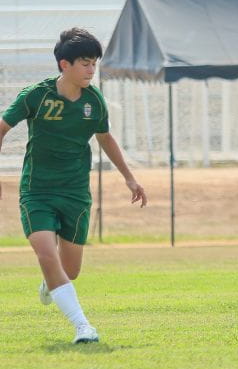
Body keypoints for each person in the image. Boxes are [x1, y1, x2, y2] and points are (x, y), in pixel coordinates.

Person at [0, 27, 147, 344]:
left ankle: (52, 282)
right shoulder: (35, 96)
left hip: (76, 194)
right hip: (36, 191)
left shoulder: (95, 101)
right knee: (45, 254)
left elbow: (105, 137)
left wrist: (129, 177)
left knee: (71, 270)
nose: (91, 70)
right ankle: (83, 327)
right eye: (85, 63)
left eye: (94, 63)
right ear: (64, 65)